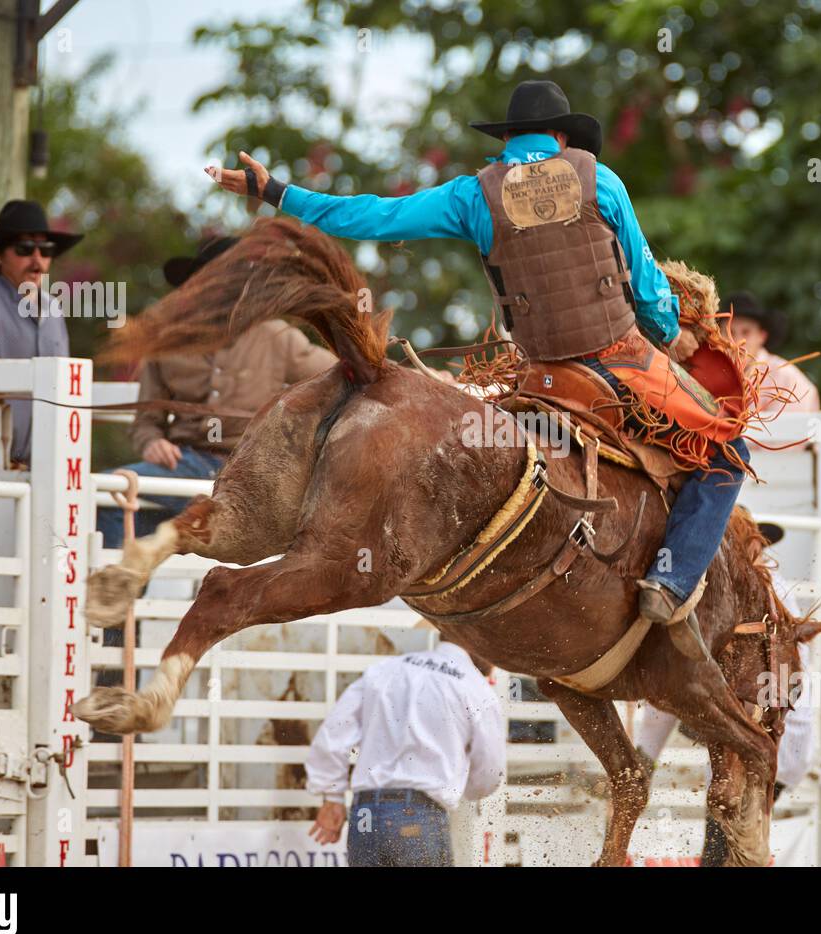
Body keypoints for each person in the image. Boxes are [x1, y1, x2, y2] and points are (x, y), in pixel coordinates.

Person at [208, 79, 750, 660]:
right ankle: (669, 581)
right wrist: (670, 334)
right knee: (729, 451)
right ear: (563, 136)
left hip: (541, 375)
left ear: (509, 139)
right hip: (619, 364)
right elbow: (646, 285)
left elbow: (374, 217)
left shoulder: (475, 196)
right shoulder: (601, 180)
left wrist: (278, 192)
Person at [95, 235, 337, 549]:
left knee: (116, 496)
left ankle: (127, 584)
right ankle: (125, 591)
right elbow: (146, 420)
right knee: (110, 494)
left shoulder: (274, 336)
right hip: (185, 465)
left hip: (251, 469)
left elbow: (340, 371)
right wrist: (152, 441)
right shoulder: (167, 341)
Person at [633, 517, 815, 865]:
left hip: (766, 740)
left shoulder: (762, 592)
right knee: (727, 834)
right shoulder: (754, 591)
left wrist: (647, 753)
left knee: (727, 834)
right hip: (759, 741)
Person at [305, 640, 506, 866]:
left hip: (366, 813)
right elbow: (489, 774)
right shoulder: (475, 687)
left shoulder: (385, 669)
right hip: (420, 814)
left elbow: (333, 734)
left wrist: (332, 798)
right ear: (474, 639)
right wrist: (463, 786)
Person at [0, 200, 84, 463]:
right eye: (24, 249)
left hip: (46, 462)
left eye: (46, 250)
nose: (37, 261)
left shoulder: (54, 309)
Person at [724, 291, 819, 414]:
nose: (736, 342)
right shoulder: (709, 375)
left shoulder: (787, 379)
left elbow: (787, 430)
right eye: (729, 332)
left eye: (746, 332)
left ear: (762, 336)